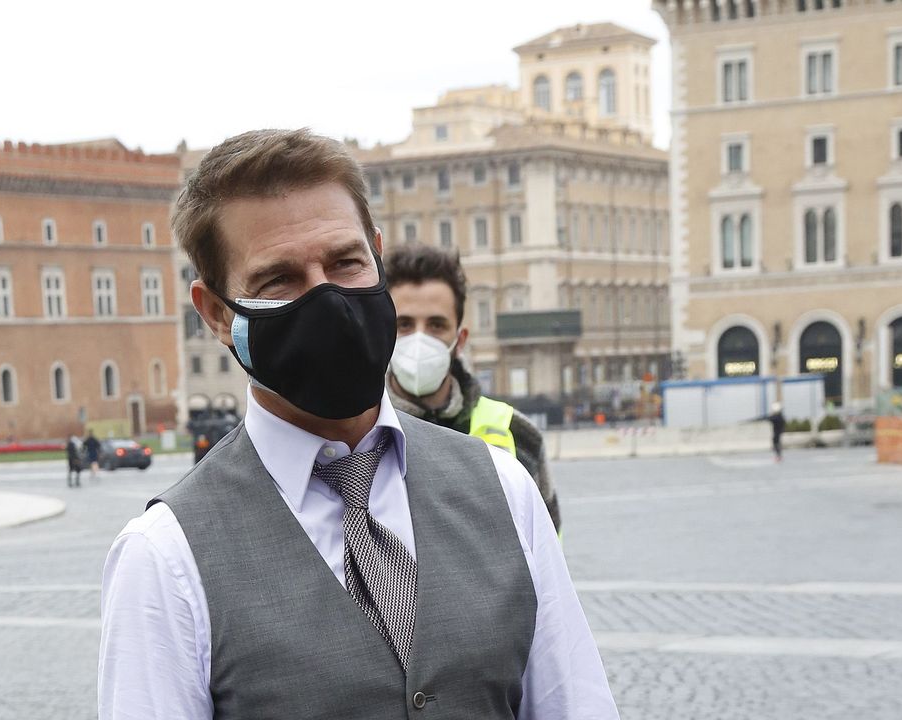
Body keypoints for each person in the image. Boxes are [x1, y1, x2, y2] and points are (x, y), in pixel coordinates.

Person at [99, 129, 617, 719]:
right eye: (279, 280)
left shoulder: (505, 490)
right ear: (218, 314)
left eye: (345, 263)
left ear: (376, 258)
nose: (327, 300)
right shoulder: (165, 557)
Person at [383, 244, 561, 530]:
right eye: (404, 325)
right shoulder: (357, 436)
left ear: (460, 340)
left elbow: (547, 549)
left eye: (436, 325)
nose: (419, 340)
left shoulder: (519, 435)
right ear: (382, 330)